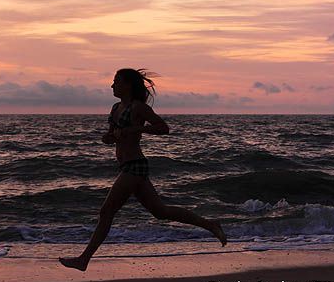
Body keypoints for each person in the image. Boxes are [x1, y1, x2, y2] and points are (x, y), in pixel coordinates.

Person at [59, 68, 227, 271]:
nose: (112, 85)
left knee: (106, 211)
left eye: (116, 82)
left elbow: (163, 127)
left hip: (135, 165)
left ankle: (84, 259)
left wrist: (138, 129)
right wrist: (109, 137)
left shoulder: (138, 108)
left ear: (128, 85)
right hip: (126, 166)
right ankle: (211, 225)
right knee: (161, 212)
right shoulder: (115, 108)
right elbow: (112, 135)